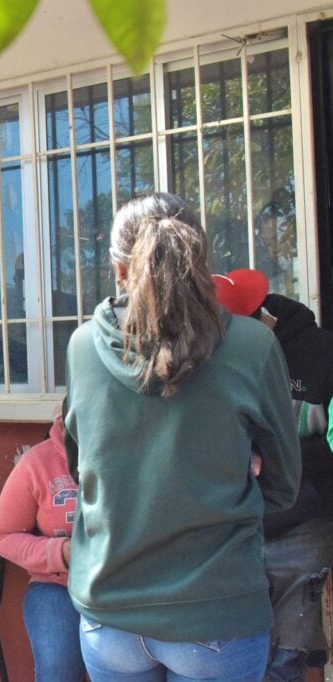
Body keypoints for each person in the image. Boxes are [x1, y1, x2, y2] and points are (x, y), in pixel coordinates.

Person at [64, 192, 301, 680]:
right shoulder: (252, 345)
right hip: (217, 608)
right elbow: (283, 486)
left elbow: (79, 466)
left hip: (110, 611)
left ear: (119, 268)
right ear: (200, 259)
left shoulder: (83, 346)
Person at [215, 268, 333, 680]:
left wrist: (280, 462)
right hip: (231, 533)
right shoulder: (209, 356)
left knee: (285, 663)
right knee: (231, 660)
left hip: (302, 532)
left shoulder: (321, 354)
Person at [0, 407, 85, 681]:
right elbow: (2, 536)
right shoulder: (38, 462)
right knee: (57, 668)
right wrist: (61, 553)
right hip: (56, 586)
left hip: (120, 587)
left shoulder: (128, 451)